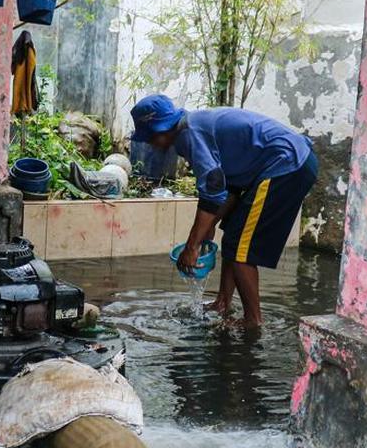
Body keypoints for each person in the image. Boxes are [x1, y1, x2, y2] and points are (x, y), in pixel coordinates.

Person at [130, 94, 318, 326]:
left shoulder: (189, 135)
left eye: (149, 138)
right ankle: (223, 303)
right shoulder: (190, 128)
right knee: (232, 238)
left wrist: (192, 246)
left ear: (161, 130)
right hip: (285, 163)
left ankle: (252, 321)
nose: (150, 144)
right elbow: (228, 189)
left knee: (241, 248)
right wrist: (208, 227)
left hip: (288, 165)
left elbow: (213, 191)